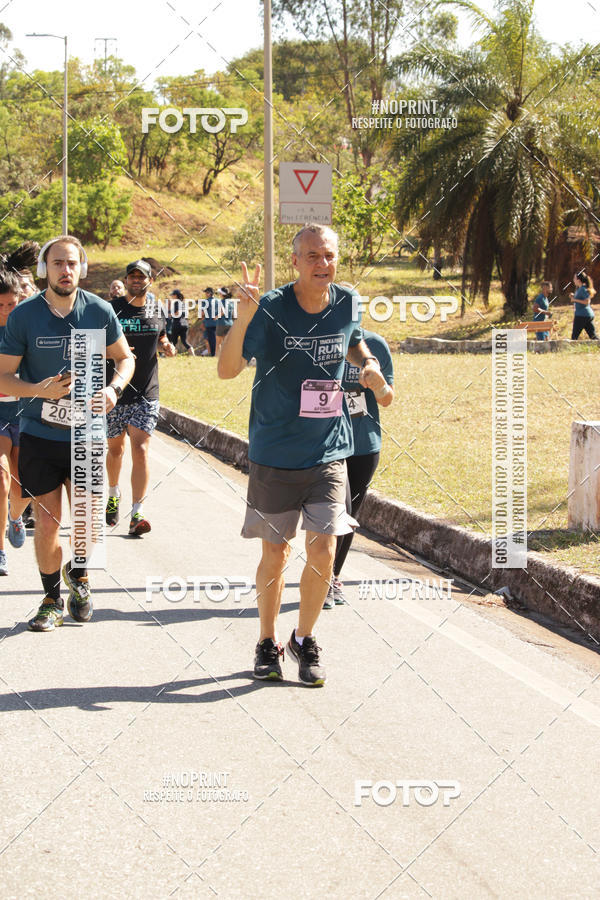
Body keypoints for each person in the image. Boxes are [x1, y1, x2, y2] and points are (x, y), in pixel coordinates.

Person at [218, 223, 388, 686]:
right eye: (312, 256)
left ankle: (305, 638)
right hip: (274, 450)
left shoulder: (347, 299)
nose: (322, 264)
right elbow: (227, 370)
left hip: (328, 448)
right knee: (275, 553)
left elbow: (352, 339)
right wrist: (244, 314)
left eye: (329, 256)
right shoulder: (271, 308)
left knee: (325, 547)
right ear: (295, 262)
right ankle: (267, 641)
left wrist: (368, 362)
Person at [0, 235, 135, 631]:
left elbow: (125, 357)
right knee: (46, 521)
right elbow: (4, 374)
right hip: (41, 434)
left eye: (72, 263)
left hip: (88, 433)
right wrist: (37, 389)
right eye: (57, 263)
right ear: (45, 270)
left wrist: (113, 389)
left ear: (83, 268)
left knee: (89, 522)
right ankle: (49, 600)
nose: (65, 270)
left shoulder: (100, 311)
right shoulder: (24, 315)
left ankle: (78, 573)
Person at [324, 328, 394, 607]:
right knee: (332, 511)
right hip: (326, 442)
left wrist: (378, 385)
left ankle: (333, 575)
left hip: (364, 444)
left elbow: (387, 398)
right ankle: (323, 577)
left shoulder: (376, 345)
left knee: (349, 514)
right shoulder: (320, 343)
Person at [105, 260, 176, 536]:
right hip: (116, 390)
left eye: (141, 277)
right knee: (115, 450)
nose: (136, 280)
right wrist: (114, 355)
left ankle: (137, 513)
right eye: (132, 276)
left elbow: (161, 336)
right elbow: (94, 345)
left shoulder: (157, 308)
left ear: (149, 280)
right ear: (126, 280)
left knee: (141, 449)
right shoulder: (111, 310)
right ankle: (113, 494)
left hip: (146, 391)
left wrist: (166, 345)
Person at [0, 262, 34, 574]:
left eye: (12, 304)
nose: (7, 310)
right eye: (0, 305)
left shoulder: (28, 326)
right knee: (1, 477)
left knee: (22, 484)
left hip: (24, 413)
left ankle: (15, 517)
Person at [570, 272, 597, 340]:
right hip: (587, 315)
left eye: (574, 278)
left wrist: (575, 300)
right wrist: (574, 297)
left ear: (578, 280)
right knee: (593, 336)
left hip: (581, 315)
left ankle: (570, 349)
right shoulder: (580, 289)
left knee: (574, 337)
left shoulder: (582, 289)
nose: (573, 280)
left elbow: (587, 301)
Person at [170, 289, 195, 355]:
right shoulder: (184, 303)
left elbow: (176, 312)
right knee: (185, 341)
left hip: (177, 324)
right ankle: (193, 355)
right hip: (185, 324)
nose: (172, 297)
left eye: (172, 295)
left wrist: (169, 315)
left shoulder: (176, 302)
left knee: (173, 342)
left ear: (175, 296)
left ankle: (172, 355)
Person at [215, 286, 235, 356]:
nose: (219, 294)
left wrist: (216, 317)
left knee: (218, 342)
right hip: (230, 323)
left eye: (219, 293)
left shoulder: (222, 301)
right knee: (227, 342)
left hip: (221, 323)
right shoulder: (231, 302)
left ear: (222, 294)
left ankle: (216, 357)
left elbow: (222, 312)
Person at [201, 287, 217, 356]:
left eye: (206, 292)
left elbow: (202, 313)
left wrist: (202, 321)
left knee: (211, 339)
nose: (205, 294)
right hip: (218, 323)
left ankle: (213, 354)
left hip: (209, 323)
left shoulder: (205, 302)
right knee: (218, 339)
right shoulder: (218, 301)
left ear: (209, 293)